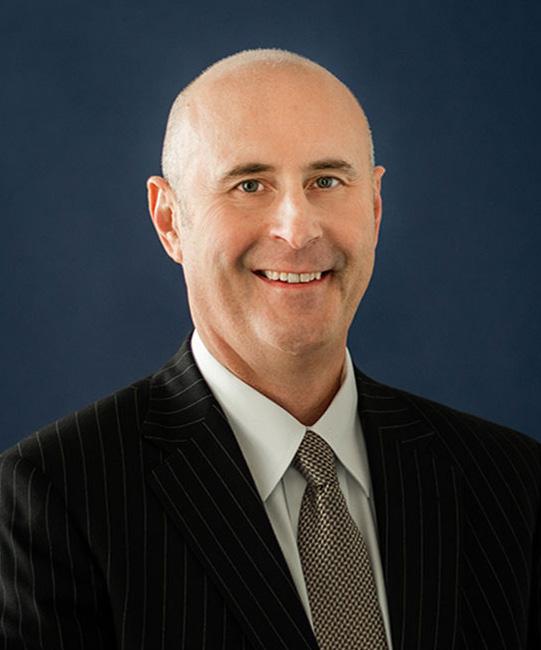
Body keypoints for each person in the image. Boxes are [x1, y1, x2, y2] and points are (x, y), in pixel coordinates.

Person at [1, 48, 539, 650]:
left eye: (326, 181)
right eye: (250, 185)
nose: (297, 229)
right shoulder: (55, 495)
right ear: (170, 220)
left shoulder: (510, 480)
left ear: (374, 207)